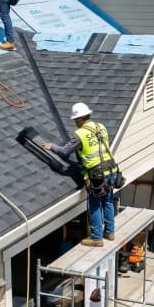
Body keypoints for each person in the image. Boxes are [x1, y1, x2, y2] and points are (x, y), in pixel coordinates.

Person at [44, 103, 120, 247]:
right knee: (108, 201)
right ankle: (110, 232)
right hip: (111, 170)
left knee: (95, 205)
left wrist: (51, 146)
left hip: (97, 174)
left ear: (79, 118)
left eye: (75, 120)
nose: (75, 122)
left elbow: (65, 151)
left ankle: (97, 238)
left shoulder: (80, 134)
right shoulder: (101, 127)